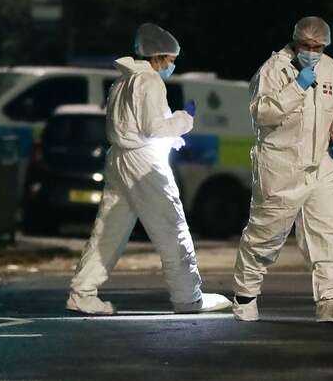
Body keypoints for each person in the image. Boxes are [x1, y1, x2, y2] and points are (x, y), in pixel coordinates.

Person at [66, 23, 231, 315]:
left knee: (108, 232)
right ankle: (188, 297)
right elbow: (153, 127)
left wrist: (172, 136)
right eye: (171, 60)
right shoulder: (150, 82)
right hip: (143, 164)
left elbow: (133, 125)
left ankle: (82, 293)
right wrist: (184, 119)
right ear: (158, 57)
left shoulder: (122, 81)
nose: (172, 66)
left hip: (119, 159)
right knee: (172, 225)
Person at [232, 16, 333, 322]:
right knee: (266, 233)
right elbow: (262, 113)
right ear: (295, 41)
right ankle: (245, 296)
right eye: (306, 46)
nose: (312, 51)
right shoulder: (274, 69)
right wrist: (297, 87)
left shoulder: (331, 68)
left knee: (327, 231)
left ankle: (331, 298)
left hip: (321, 162)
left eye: (318, 46)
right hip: (282, 164)